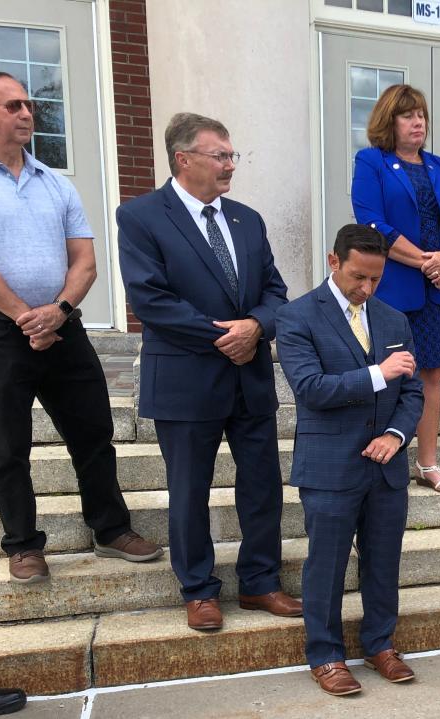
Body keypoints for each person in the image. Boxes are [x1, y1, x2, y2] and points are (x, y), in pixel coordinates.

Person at [116, 112, 301, 632]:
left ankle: (261, 582)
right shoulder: (141, 217)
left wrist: (257, 327)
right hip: (187, 379)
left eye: (231, 155)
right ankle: (198, 589)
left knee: (262, 484)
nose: (230, 166)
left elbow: (275, 292)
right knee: (189, 489)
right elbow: (151, 301)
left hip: (250, 379)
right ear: (183, 158)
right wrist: (229, 337)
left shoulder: (247, 219)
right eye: (220, 156)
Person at [0, 71, 162, 584]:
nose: (28, 113)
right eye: (14, 106)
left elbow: (85, 261)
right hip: (3, 334)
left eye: (29, 105)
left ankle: (111, 529)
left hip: (64, 328)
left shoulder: (55, 184)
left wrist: (58, 312)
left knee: (93, 431)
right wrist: (28, 316)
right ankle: (23, 544)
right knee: (6, 446)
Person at [276, 225, 424, 696]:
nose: (367, 289)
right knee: (327, 564)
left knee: (384, 561)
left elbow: (414, 391)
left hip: (386, 466)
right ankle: (326, 654)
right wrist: (378, 373)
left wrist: (397, 435)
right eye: (359, 277)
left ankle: (380, 644)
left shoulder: (394, 320)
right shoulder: (296, 317)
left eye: (376, 280)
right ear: (333, 261)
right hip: (330, 464)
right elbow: (312, 389)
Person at [351, 83, 440, 496]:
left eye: (420, 114)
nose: (417, 121)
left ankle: (428, 463)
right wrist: (427, 262)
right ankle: (379, 459)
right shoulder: (372, 162)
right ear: (389, 121)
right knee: (391, 374)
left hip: (436, 290)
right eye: (407, 115)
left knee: (431, 373)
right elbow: (372, 223)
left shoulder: (439, 166)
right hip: (394, 291)